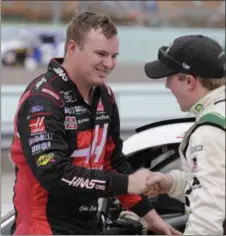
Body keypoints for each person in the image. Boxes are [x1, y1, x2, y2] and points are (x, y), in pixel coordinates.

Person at [10, 12, 181, 235]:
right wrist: (126, 184)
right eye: (101, 54)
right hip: (43, 227)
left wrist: (152, 218)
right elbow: (53, 174)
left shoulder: (104, 96)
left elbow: (113, 163)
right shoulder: (43, 99)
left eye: (114, 55)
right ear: (72, 48)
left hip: (89, 225)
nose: (109, 64)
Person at [143, 34, 225, 235]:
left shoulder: (208, 132)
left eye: (169, 77)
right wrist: (172, 184)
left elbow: (208, 219)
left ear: (189, 81)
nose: (167, 85)